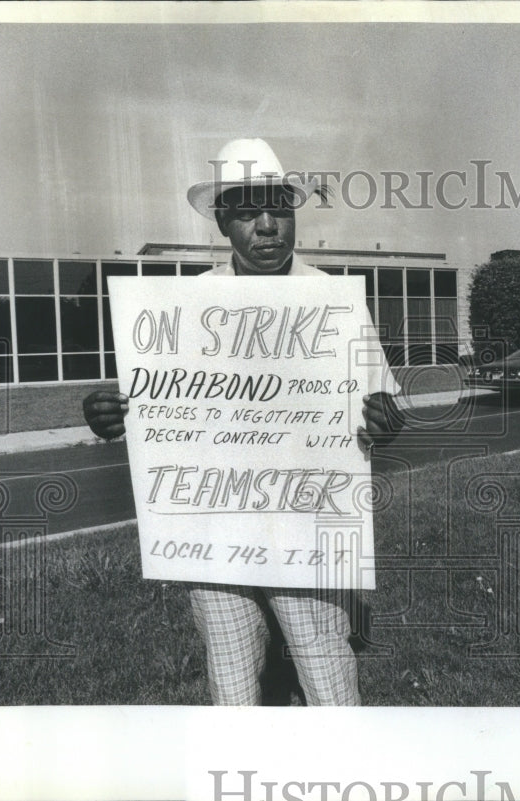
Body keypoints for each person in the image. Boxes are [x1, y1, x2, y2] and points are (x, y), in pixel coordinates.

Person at [82, 138, 403, 705]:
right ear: (223, 221)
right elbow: (155, 410)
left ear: (294, 215)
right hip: (214, 540)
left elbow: (384, 409)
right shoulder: (187, 304)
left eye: (279, 209)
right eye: (248, 212)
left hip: (306, 536)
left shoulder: (333, 301)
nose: (267, 226)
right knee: (232, 693)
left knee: (330, 688)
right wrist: (109, 414)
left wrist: (382, 419)